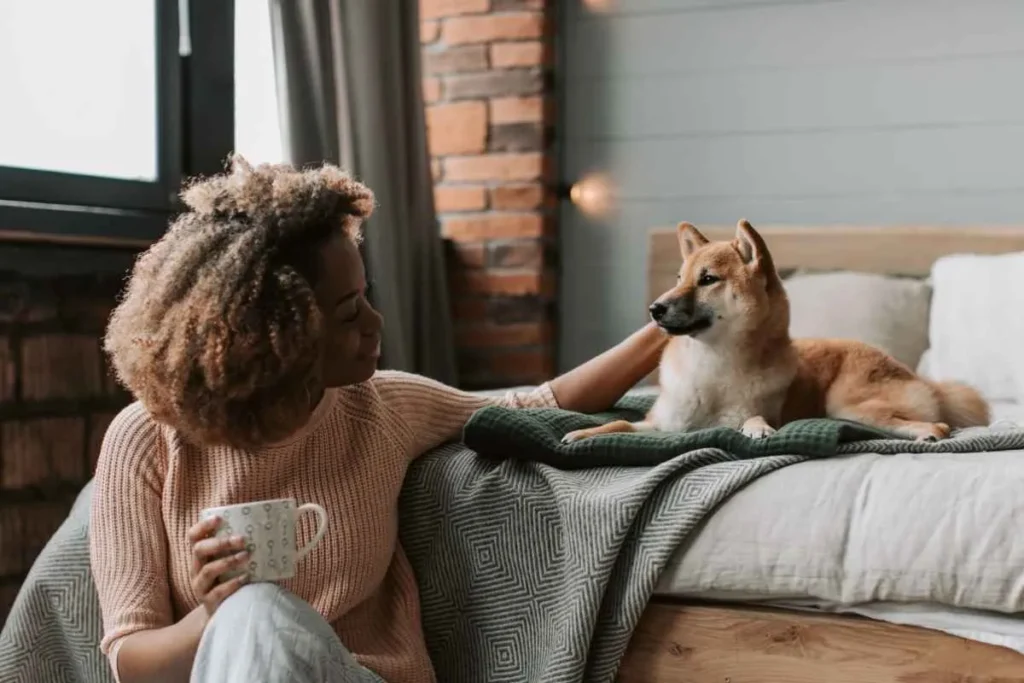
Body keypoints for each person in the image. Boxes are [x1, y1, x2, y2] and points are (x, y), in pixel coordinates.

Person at [90, 157, 666, 683]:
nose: (374, 322)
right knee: (253, 614)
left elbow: (540, 404)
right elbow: (132, 665)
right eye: (348, 313)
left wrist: (670, 326)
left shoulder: (383, 408)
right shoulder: (145, 441)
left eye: (366, 296)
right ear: (275, 335)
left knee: (256, 614)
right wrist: (213, 614)